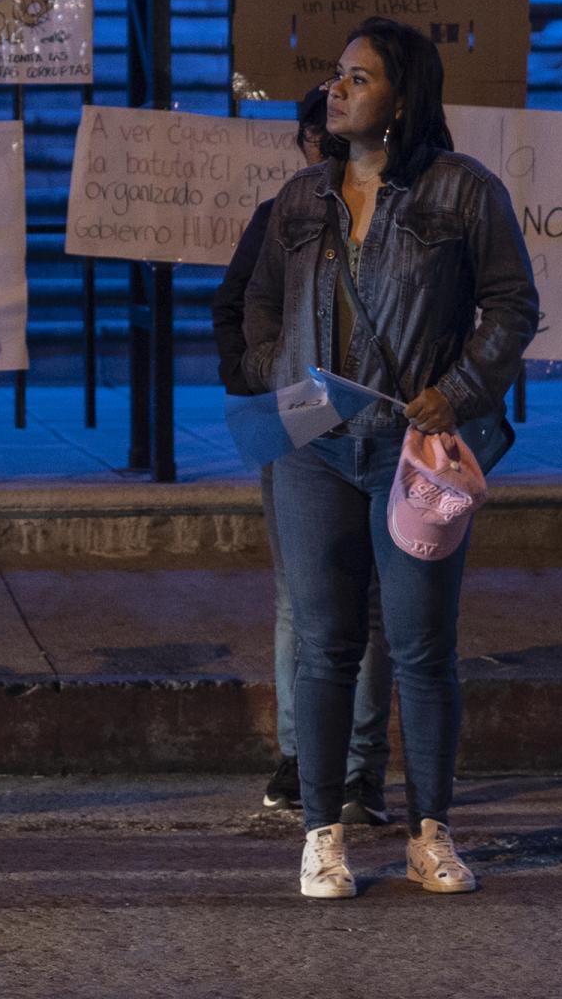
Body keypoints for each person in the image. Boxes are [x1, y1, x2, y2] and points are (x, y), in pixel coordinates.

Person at [239, 17, 536, 900]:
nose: (337, 89)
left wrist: (462, 388)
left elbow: (513, 307)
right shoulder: (300, 200)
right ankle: (322, 836)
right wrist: (281, 375)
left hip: (414, 454)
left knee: (421, 648)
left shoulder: (462, 194)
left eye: (358, 79)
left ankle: (430, 834)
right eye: (337, 76)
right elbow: (257, 305)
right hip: (313, 451)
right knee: (325, 645)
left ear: (401, 99)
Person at [212, 83, 391, 828]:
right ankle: (306, 757)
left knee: (367, 602)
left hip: (375, 414)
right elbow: (239, 309)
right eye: (317, 139)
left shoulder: (394, 208)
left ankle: (354, 766)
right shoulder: (285, 212)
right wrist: (270, 374)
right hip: (303, 415)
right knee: (306, 597)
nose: (323, 152)